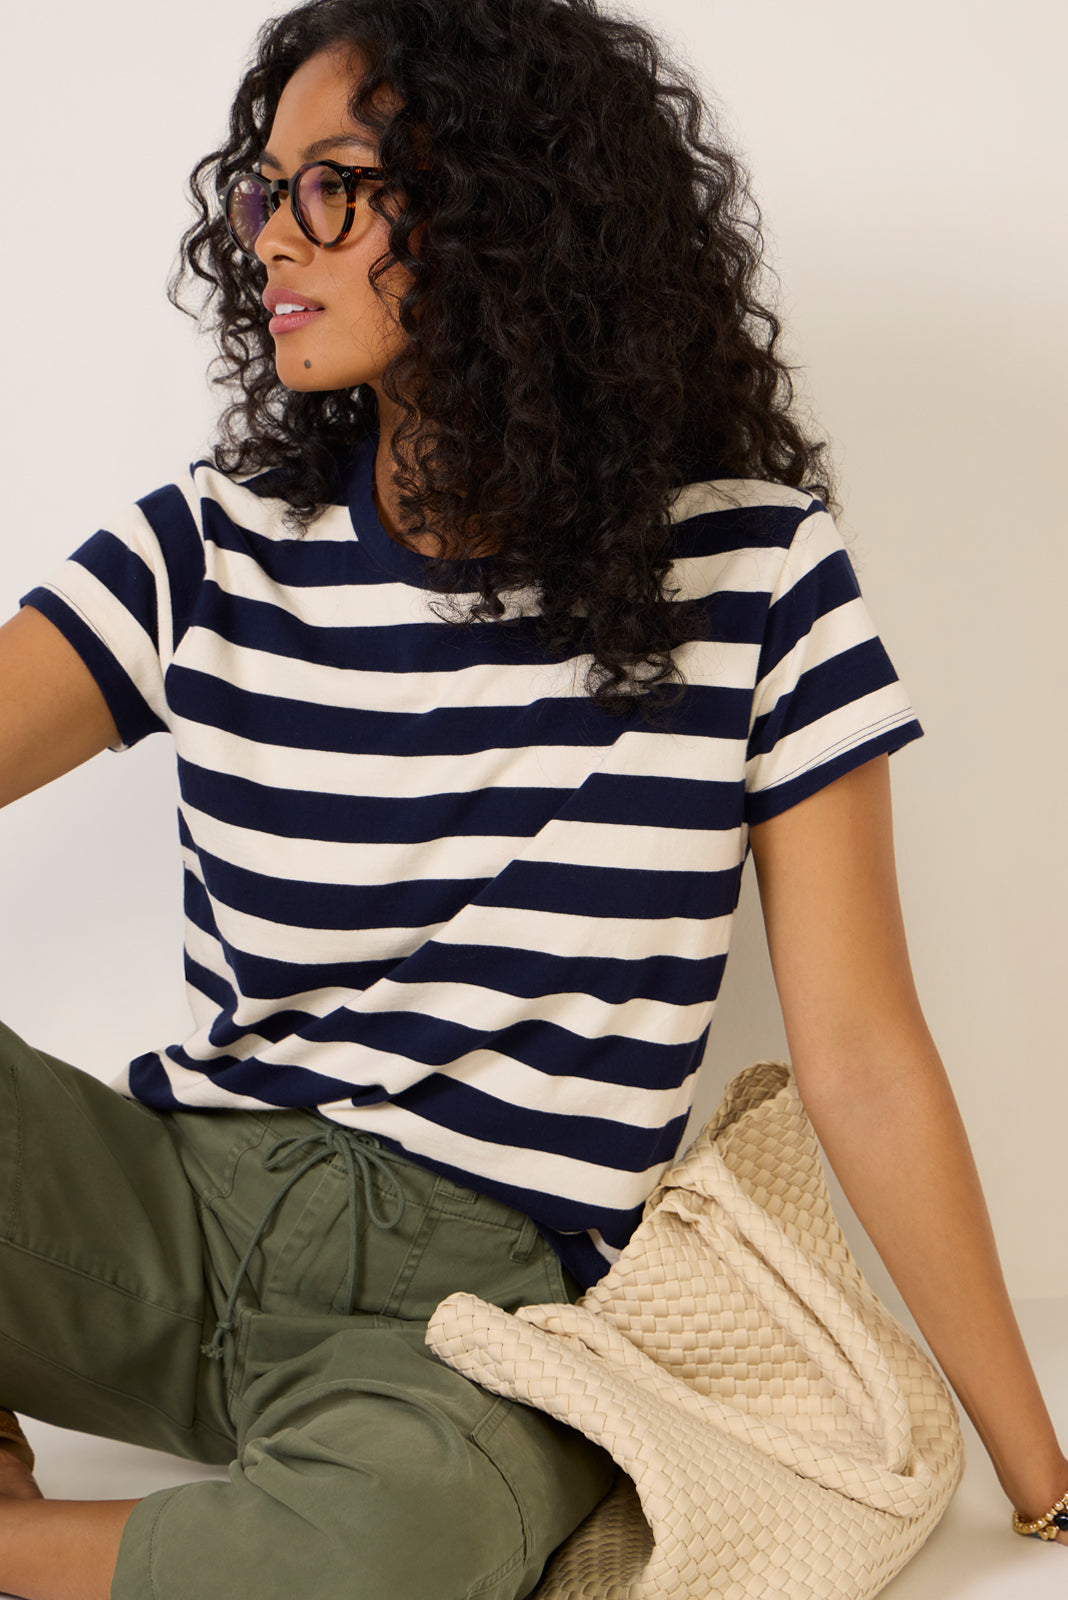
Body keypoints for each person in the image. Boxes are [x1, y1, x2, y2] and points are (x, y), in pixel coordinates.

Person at [0, 0, 1064, 1595]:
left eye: (330, 187)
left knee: (406, 1549)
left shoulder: (758, 573)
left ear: (508, 212)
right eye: (263, 189)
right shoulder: (207, 549)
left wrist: (1044, 1484)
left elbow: (861, 1055)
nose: (268, 238)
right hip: (158, 1219)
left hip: (482, 1320)